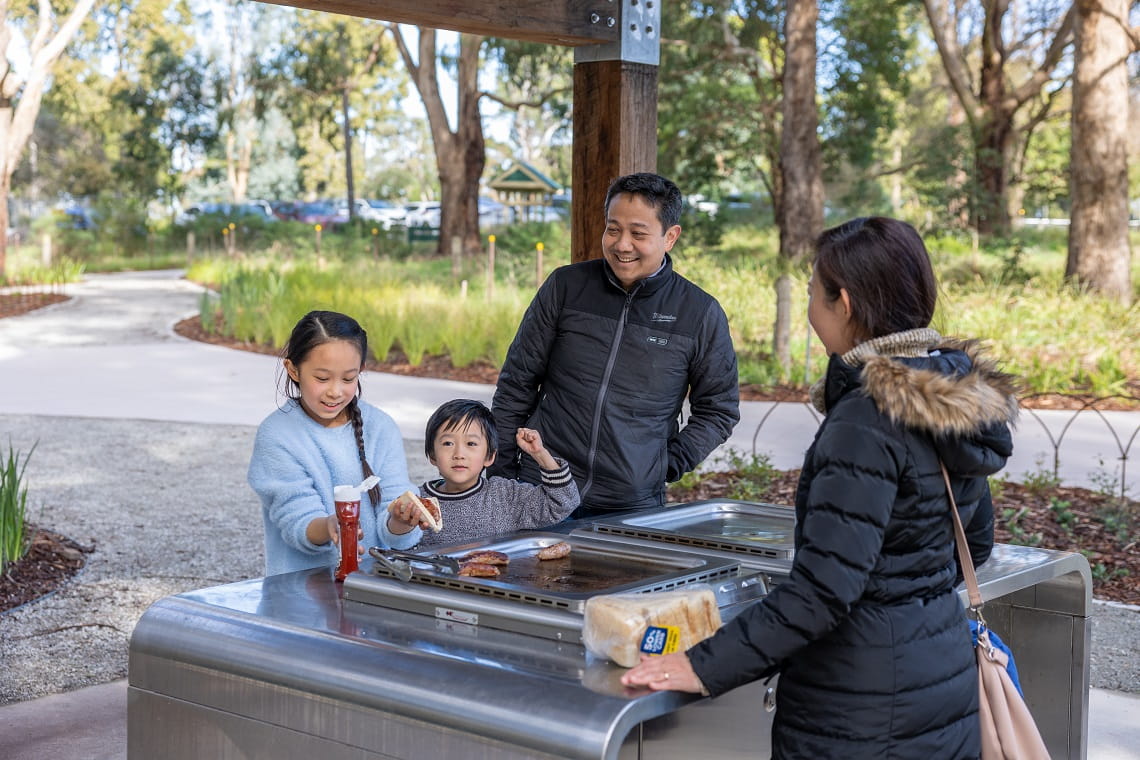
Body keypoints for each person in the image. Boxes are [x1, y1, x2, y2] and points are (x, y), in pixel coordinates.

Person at [621, 217, 1019, 759]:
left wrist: (701, 665)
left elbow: (823, 593)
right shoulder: (950, 400)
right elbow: (972, 548)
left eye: (813, 291)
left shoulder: (866, 419)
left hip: (859, 706)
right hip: (939, 678)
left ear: (845, 302)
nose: (810, 305)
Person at [490, 172, 740, 519]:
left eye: (638, 233)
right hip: (540, 489)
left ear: (670, 237)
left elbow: (718, 410)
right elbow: (517, 380)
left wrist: (663, 466)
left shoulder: (698, 313)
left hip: (630, 504)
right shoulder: (566, 287)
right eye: (613, 229)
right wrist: (501, 471)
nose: (622, 244)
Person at [248, 310, 423, 576]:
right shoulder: (277, 434)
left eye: (348, 378)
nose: (335, 391)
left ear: (361, 371)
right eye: (322, 378)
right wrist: (330, 526)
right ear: (293, 369)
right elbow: (296, 519)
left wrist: (402, 520)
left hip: (373, 587)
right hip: (301, 592)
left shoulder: (381, 427)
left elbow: (394, 531)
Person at [392, 399, 579, 547]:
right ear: (432, 455)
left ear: (489, 456)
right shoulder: (417, 501)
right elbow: (396, 544)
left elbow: (563, 502)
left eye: (471, 444)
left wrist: (540, 454)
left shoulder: (505, 496)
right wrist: (401, 523)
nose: (459, 454)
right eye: (448, 443)